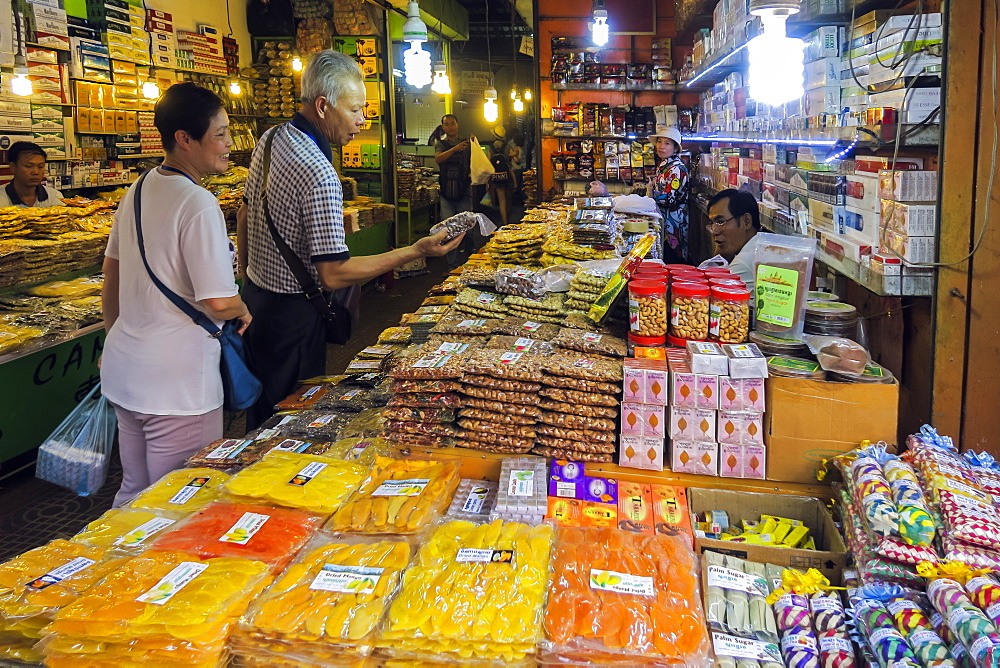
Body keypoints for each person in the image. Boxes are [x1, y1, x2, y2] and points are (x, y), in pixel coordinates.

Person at [238, 51, 464, 430]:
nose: (363, 120)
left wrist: (247, 280)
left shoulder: (271, 137)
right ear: (324, 106)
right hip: (293, 319)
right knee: (286, 426)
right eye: (356, 109)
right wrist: (415, 250)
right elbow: (333, 274)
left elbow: (244, 213)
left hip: (257, 306)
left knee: (258, 417)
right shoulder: (318, 170)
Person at [101, 82, 251, 507]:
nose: (229, 144)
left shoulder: (138, 189)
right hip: (178, 386)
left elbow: (111, 274)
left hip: (127, 372)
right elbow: (219, 301)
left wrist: (118, 338)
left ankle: (112, 569)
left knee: (134, 492)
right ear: (184, 138)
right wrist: (243, 308)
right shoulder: (197, 202)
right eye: (220, 134)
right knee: (180, 505)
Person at [434, 113, 475, 268]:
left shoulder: (467, 143)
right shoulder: (441, 144)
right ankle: (453, 266)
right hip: (446, 194)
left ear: (458, 125)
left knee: (468, 228)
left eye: (453, 123)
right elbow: (438, 159)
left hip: (464, 191)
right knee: (449, 231)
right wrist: (455, 149)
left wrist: (474, 143)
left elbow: (477, 159)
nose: (450, 127)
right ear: (443, 127)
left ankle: (470, 263)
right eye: (447, 124)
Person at [648, 127, 691, 263]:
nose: (661, 147)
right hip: (664, 221)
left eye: (667, 143)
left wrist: (651, 195)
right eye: (660, 142)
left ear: (675, 148)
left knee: (673, 258)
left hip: (674, 222)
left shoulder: (677, 168)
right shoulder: (664, 165)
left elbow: (669, 199)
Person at [706, 188, 761, 291]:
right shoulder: (758, 244)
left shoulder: (743, 264)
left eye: (721, 222)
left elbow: (712, 299)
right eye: (712, 223)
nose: (714, 231)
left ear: (746, 221)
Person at [0, 141, 64, 207]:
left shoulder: (55, 197)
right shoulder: (2, 198)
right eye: (29, 166)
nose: (36, 172)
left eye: (40, 166)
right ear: (13, 167)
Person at [487, 126, 514, 226]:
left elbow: (488, 163)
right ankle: (508, 219)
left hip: (497, 176)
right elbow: (513, 157)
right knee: (508, 199)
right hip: (507, 175)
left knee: (501, 200)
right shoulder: (507, 146)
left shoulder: (491, 148)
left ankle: (504, 223)